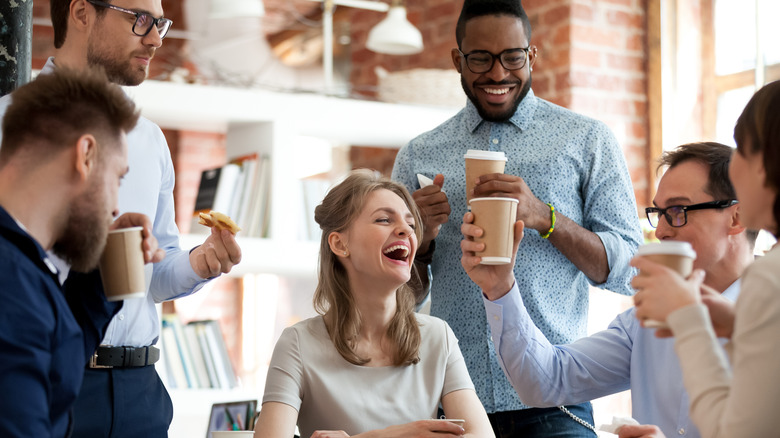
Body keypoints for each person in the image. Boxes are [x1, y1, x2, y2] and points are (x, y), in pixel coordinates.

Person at [391, 0, 642, 434]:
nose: (497, 73)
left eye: (513, 57)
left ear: (532, 55)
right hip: (452, 403)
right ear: (457, 60)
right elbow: (398, 298)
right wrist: (423, 241)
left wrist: (545, 216)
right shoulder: (420, 153)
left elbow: (630, 270)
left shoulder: (586, 140)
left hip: (556, 404)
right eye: (480, 59)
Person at [0, 1, 242, 436]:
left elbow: (149, 275)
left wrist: (197, 262)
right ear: (81, 13)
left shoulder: (149, 139)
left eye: (162, 23)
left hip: (141, 387)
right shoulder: (5, 123)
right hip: (51, 371)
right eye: (140, 19)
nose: (156, 38)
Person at [459, 142, 755, 438]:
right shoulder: (644, 322)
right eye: (659, 213)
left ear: (736, 218)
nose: (661, 230)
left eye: (677, 211)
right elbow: (548, 380)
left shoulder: (768, 320)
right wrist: (499, 286)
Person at [254, 170, 494, 438]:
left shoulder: (438, 337)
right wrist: (394, 435)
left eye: (411, 225)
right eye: (383, 219)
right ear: (340, 243)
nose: (405, 230)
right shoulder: (297, 344)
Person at [0, 68, 144, 437]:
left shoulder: (25, 270)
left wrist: (106, 264)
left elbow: (54, 368)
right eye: (118, 178)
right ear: (86, 155)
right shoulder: (11, 282)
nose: (115, 205)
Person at [633, 81, 780, 437]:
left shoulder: (768, 278)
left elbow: (735, 430)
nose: (734, 170)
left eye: (742, 150)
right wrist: (739, 325)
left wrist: (688, 319)